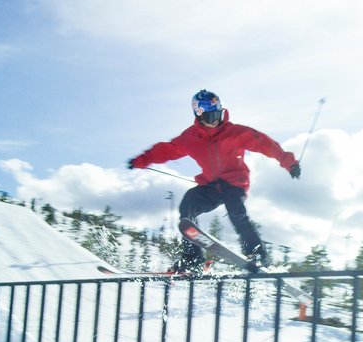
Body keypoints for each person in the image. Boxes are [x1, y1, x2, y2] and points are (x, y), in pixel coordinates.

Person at [128, 89, 301, 274]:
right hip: (210, 186)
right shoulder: (191, 137)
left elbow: (264, 143)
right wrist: (142, 160)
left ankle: (257, 253)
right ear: (199, 115)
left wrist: (288, 162)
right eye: (210, 117)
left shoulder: (235, 132)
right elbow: (167, 149)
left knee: (236, 211)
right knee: (188, 204)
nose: (216, 121)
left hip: (234, 183)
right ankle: (192, 258)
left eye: (218, 115)